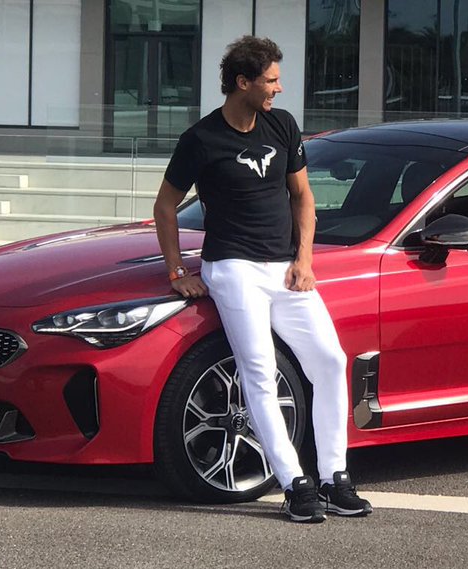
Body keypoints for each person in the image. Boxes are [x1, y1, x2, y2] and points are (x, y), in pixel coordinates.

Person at [153, 35, 372, 524]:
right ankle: (295, 484)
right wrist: (177, 271)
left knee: (331, 360)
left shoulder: (282, 125)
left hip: (286, 268)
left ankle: (334, 477)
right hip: (233, 269)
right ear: (242, 82)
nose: (278, 88)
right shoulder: (201, 140)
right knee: (259, 370)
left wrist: (305, 259)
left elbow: (303, 197)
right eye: (271, 80)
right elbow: (165, 206)